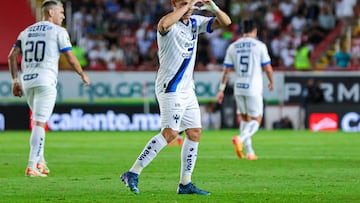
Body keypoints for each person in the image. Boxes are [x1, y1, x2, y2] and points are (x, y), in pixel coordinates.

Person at [120, 0, 231, 195]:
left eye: (190, 3)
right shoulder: (168, 24)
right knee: (171, 133)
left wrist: (214, 9)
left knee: (195, 132)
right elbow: (162, 25)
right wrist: (184, 8)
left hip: (187, 89)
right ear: (174, 3)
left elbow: (226, 23)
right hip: (170, 87)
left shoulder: (196, 22)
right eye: (183, 3)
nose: (188, 7)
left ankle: (185, 183)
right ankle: (133, 172)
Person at [8, 0, 90, 177]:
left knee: (38, 122)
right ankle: (31, 166)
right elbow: (70, 56)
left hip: (27, 81)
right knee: (39, 123)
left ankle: (41, 162)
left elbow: (12, 56)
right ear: (50, 13)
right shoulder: (58, 31)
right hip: (45, 80)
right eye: (61, 12)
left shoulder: (26, 31)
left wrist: (15, 80)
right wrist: (82, 74)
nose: (63, 16)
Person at [217, 19, 274, 161]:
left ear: (242, 31)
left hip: (239, 87)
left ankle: (250, 152)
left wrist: (221, 89)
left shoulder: (233, 46)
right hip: (253, 87)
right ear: (255, 31)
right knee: (257, 119)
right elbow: (267, 67)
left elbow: (226, 71)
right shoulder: (259, 46)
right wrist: (271, 81)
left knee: (245, 119)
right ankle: (240, 138)